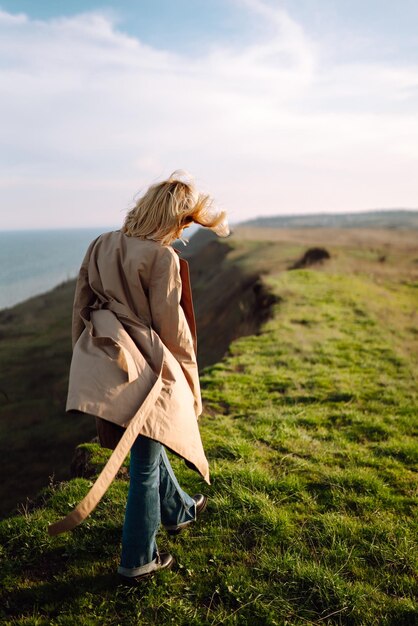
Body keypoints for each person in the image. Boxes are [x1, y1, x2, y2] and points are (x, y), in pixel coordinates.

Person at [47, 171, 229, 584]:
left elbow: (82, 302)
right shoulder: (161, 258)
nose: (183, 233)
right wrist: (189, 383)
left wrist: (85, 357)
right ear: (172, 218)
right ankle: (137, 560)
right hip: (147, 362)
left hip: (106, 354)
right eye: (184, 223)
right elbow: (172, 328)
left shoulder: (102, 243)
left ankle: (179, 511)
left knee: (148, 438)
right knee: (147, 456)